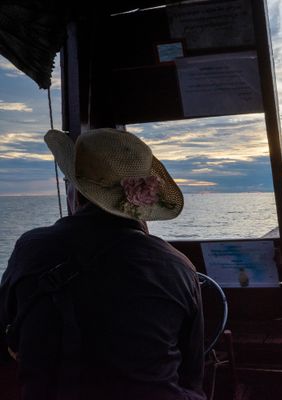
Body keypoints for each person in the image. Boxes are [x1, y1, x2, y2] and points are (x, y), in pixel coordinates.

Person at [0, 128, 206, 400]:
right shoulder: (179, 268)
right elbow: (192, 375)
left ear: (77, 193)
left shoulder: (30, 248)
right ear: (142, 206)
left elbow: (6, 335)